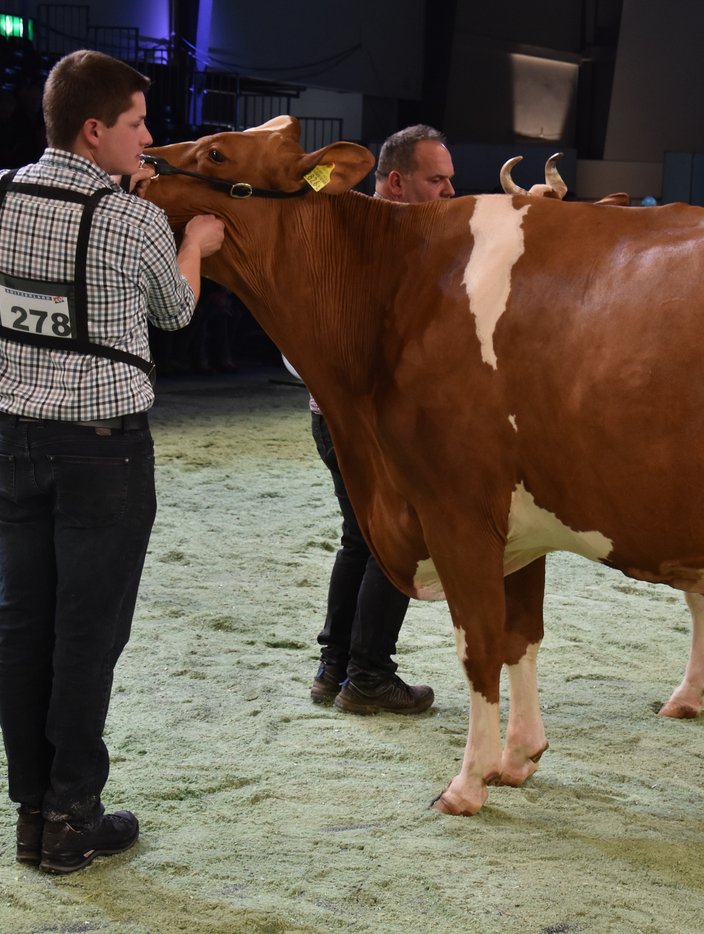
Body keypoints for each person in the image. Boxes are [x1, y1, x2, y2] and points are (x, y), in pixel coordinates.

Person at [0, 49, 224, 874]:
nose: (147, 140)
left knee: (22, 626)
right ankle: (73, 811)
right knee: (85, 635)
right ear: (94, 130)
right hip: (102, 453)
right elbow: (175, 311)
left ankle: (30, 812)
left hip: (14, 441)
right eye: (138, 124)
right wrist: (196, 242)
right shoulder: (133, 220)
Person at [307, 124, 454, 715]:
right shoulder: (377, 242)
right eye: (436, 180)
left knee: (360, 540)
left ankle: (335, 666)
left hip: (332, 415)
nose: (449, 192)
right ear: (396, 182)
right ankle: (368, 676)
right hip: (368, 420)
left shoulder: (343, 231)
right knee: (394, 540)